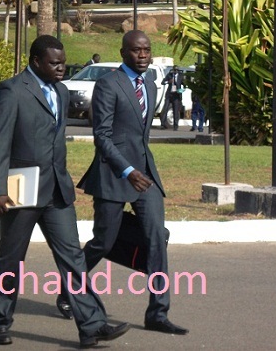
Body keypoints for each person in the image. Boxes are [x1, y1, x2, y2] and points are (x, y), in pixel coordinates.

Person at [0, 35, 130, 348]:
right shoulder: (12, 90)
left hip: (57, 192)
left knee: (73, 259)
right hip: (20, 191)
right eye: (54, 63)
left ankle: (92, 325)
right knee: (11, 259)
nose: (61, 68)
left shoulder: (61, 92)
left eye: (62, 62)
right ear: (36, 61)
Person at [57, 30, 188, 336]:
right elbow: (101, 136)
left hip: (146, 176)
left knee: (157, 237)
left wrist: (140, 170)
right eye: (136, 51)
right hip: (114, 174)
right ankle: (70, 289)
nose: (143, 55)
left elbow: (140, 136)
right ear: (124, 52)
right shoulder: (108, 84)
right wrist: (127, 170)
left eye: (147, 50)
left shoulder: (152, 86)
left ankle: (158, 312)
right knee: (103, 241)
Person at [160, 65, 184, 131]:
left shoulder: (181, 75)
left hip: (176, 95)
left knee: (175, 110)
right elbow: (162, 82)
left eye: (176, 70)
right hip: (169, 94)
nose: (175, 71)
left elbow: (184, 83)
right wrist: (168, 82)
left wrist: (182, 89)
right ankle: (163, 124)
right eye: (174, 70)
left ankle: (175, 126)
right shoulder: (170, 75)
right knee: (165, 109)